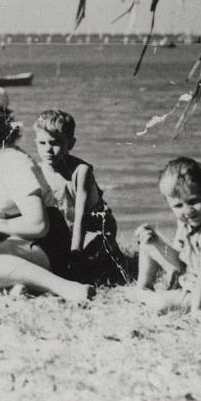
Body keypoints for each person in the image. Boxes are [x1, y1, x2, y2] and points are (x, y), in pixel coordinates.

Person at [0, 86, 94, 302]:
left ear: (0, 124)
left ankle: (66, 287)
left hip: (45, 244)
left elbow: (38, 226)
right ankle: (20, 285)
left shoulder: (14, 161)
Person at [133, 157, 201, 314]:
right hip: (190, 279)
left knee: (161, 303)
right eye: (178, 205)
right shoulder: (188, 222)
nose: (187, 210)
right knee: (147, 241)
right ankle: (143, 288)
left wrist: (197, 308)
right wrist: (157, 242)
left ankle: (147, 297)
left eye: (193, 201)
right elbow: (180, 261)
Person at [33, 109, 128, 284]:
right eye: (42, 143)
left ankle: (111, 261)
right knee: (43, 257)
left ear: (71, 143)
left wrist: (75, 252)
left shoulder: (80, 171)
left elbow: (81, 215)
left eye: (55, 143)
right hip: (63, 230)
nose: (48, 149)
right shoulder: (38, 170)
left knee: (86, 264)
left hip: (92, 227)